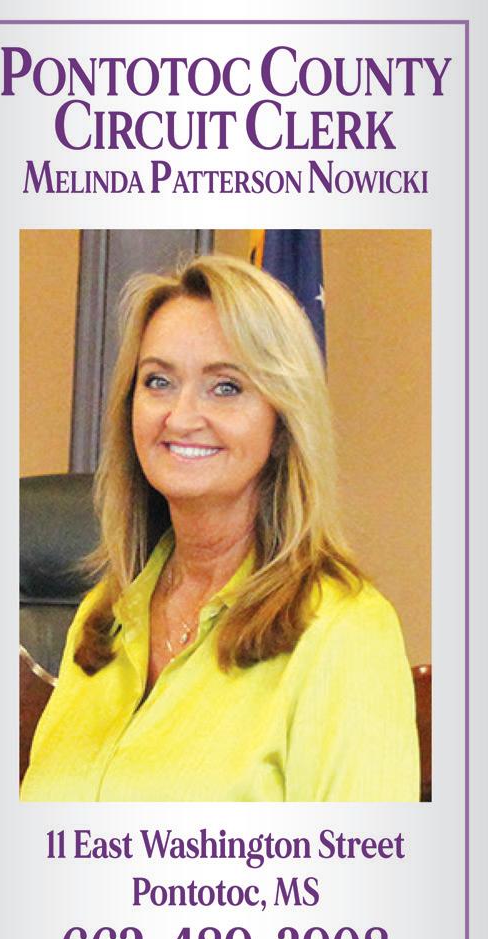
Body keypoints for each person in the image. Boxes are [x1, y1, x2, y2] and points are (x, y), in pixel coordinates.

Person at [21, 252, 420, 802]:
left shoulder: (343, 631)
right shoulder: (102, 618)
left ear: (283, 421)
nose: (181, 417)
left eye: (226, 387)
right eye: (158, 381)